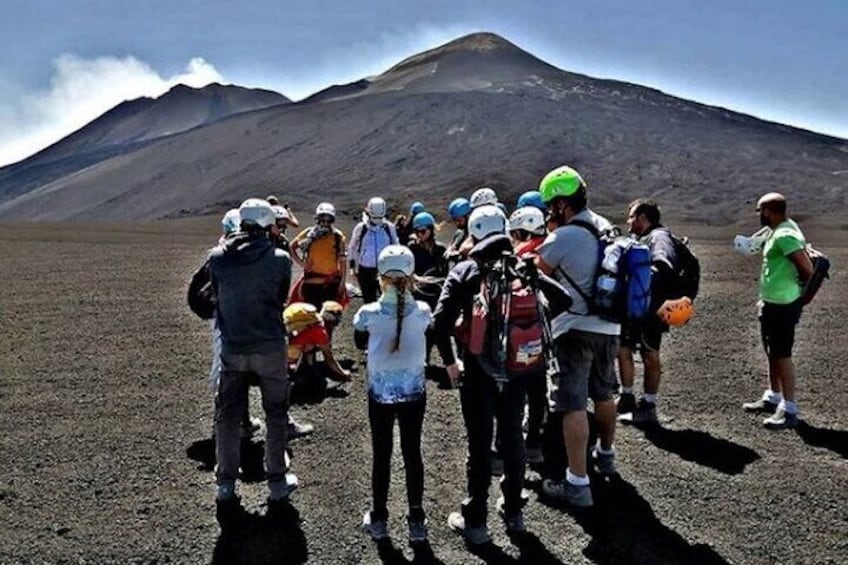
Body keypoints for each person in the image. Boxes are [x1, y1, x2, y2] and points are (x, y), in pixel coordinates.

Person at [434, 205, 570, 544]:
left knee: (480, 444)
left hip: (478, 372)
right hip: (518, 369)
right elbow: (564, 300)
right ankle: (514, 512)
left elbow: (438, 324)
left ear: (476, 235)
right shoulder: (521, 267)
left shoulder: (465, 271)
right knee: (512, 436)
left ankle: (475, 522)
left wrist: (452, 360)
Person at [534, 165, 620, 508]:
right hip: (611, 327)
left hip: (573, 330)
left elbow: (537, 274)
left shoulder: (564, 236)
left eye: (551, 204)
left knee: (571, 404)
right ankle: (607, 454)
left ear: (560, 204)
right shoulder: (607, 227)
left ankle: (577, 483)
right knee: (603, 393)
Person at [207, 198, 296, 521]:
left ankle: (226, 483)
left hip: (233, 347)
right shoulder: (280, 260)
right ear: (265, 224)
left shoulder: (217, 259)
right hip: (270, 346)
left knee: (228, 415)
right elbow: (280, 297)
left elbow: (216, 295)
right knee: (275, 412)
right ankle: (276, 481)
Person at [354, 245, 432, 544]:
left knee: (382, 453)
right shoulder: (423, 311)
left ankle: (379, 517)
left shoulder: (367, 313)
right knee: (413, 453)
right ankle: (416, 519)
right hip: (414, 392)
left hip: (380, 393)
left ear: (381, 277)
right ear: (412, 275)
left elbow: (360, 342)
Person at [742, 193, 813, 429]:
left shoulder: (784, 235)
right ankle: (773, 396)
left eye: (760, 211)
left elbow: (807, 269)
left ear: (768, 211)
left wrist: (796, 296)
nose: (759, 215)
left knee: (782, 354)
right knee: (772, 351)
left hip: (783, 305)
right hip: (772, 302)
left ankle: (789, 408)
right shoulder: (781, 228)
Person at [616, 199, 680, 423]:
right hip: (636, 307)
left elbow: (664, 265)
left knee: (649, 353)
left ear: (642, 218)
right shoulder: (642, 239)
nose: (628, 221)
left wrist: (645, 286)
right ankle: (627, 397)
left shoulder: (659, 237)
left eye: (632, 216)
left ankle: (649, 405)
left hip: (651, 309)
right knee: (623, 348)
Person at [507, 205, 548, 463]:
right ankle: (535, 441)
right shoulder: (551, 247)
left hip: (523, 329)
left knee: (518, 386)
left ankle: (514, 446)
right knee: (539, 388)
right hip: (550, 330)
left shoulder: (520, 254)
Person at [285, 301, 352, 398]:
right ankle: (296, 379)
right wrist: (343, 373)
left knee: (310, 347)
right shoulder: (320, 332)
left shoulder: (312, 319)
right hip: (289, 351)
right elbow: (329, 359)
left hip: (287, 345)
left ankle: (301, 372)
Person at [407, 211, 449, 363]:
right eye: (417, 231)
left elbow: (446, 275)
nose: (420, 234)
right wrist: (420, 279)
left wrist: (431, 280)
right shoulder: (412, 249)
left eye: (423, 231)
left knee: (437, 326)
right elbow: (409, 272)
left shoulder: (441, 250)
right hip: (419, 294)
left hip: (436, 295)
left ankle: (447, 360)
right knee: (419, 327)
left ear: (431, 230)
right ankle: (423, 357)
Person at [289, 202, 348, 309]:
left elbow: (342, 260)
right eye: (322, 219)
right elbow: (292, 246)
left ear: (332, 220)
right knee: (311, 313)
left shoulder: (337, 236)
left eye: (328, 219)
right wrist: (301, 263)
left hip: (331, 284)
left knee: (328, 315)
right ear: (317, 218)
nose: (325, 222)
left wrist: (342, 282)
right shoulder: (308, 234)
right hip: (311, 282)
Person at [348, 197, 400, 303]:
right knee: (369, 301)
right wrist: (352, 265)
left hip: (385, 270)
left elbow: (396, 245)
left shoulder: (389, 228)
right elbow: (352, 247)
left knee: (387, 300)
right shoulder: (361, 228)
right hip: (365, 270)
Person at [444, 198, 472, 267]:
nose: (457, 223)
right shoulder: (459, 233)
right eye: (455, 220)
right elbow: (451, 248)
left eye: (459, 220)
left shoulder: (477, 233)